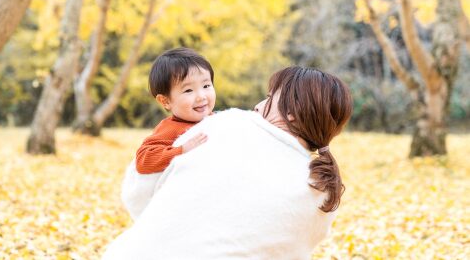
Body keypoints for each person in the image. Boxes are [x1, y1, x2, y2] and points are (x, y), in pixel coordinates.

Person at [104, 66, 353, 260]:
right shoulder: (323, 191)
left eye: (269, 98)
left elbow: (137, 194)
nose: (258, 105)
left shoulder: (226, 124)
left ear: (292, 113)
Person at [135, 47, 216, 174]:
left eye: (206, 86)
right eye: (188, 90)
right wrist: (182, 150)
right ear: (165, 101)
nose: (201, 96)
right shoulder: (170, 128)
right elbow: (143, 161)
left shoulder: (220, 119)